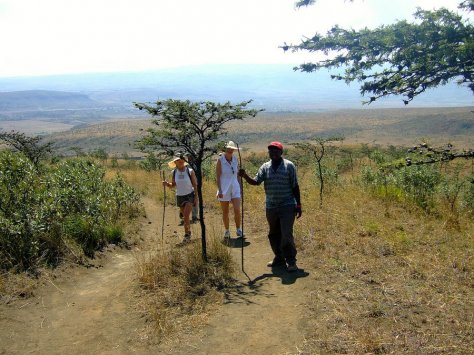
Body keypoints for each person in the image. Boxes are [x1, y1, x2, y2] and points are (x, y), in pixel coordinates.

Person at [239, 141, 302, 272]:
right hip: (271, 206)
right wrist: (244, 176)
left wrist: (299, 205)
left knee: (286, 234)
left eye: (276, 150)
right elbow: (256, 182)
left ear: (281, 152)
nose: (273, 153)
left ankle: (291, 261)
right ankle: (279, 258)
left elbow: (295, 186)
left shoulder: (289, 166)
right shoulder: (265, 167)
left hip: (287, 205)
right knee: (273, 234)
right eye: (271, 151)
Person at [163, 155, 198, 243]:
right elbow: (173, 185)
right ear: (175, 163)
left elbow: (195, 185)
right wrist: (167, 184)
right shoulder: (174, 172)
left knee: (186, 216)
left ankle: (187, 235)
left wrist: (196, 197)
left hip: (189, 195)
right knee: (185, 218)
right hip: (179, 196)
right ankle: (188, 231)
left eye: (182, 159)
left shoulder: (190, 171)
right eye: (178, 160)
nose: (181, 161)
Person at [216, 141, 243, 239]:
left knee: (237, 209)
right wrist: (219, 190)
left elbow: (237, 175)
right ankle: (227, 230)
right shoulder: (220, 160)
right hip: (224, 188)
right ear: (225, 150)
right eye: (229, 148)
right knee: (225, 211)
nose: (231, 150)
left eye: (232, 149)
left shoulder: (235, 160)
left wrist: (240, 188)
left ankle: (238, 229)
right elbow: (218, 176)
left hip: (235, 187)